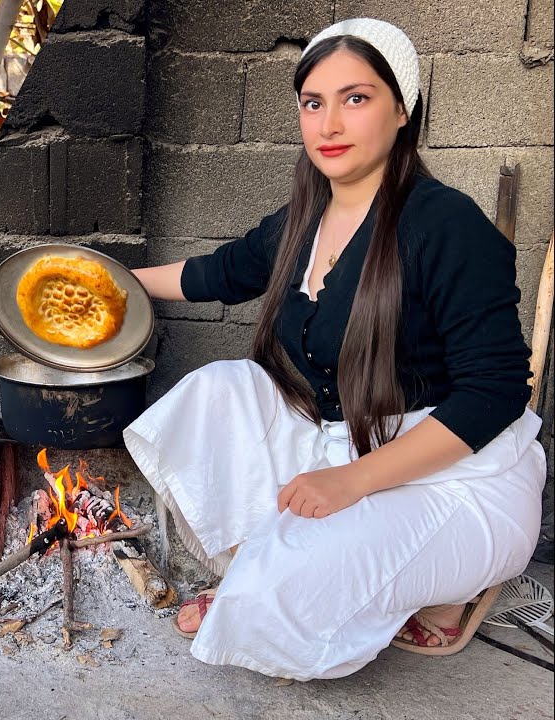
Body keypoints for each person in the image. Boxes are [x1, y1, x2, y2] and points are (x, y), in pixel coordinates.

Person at [125, 18, 545, 681]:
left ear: (401, 109)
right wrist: (97, 280)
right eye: (313, 102)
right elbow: (217, 274)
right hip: (348, 441)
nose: (329, 123)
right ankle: (270, 570)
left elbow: (494, 393)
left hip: (458, 479)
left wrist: (351, 482)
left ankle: (433, 585)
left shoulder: (446, 225)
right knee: (218, 390)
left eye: (356, 98)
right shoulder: (304, 218)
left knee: (283, 597)